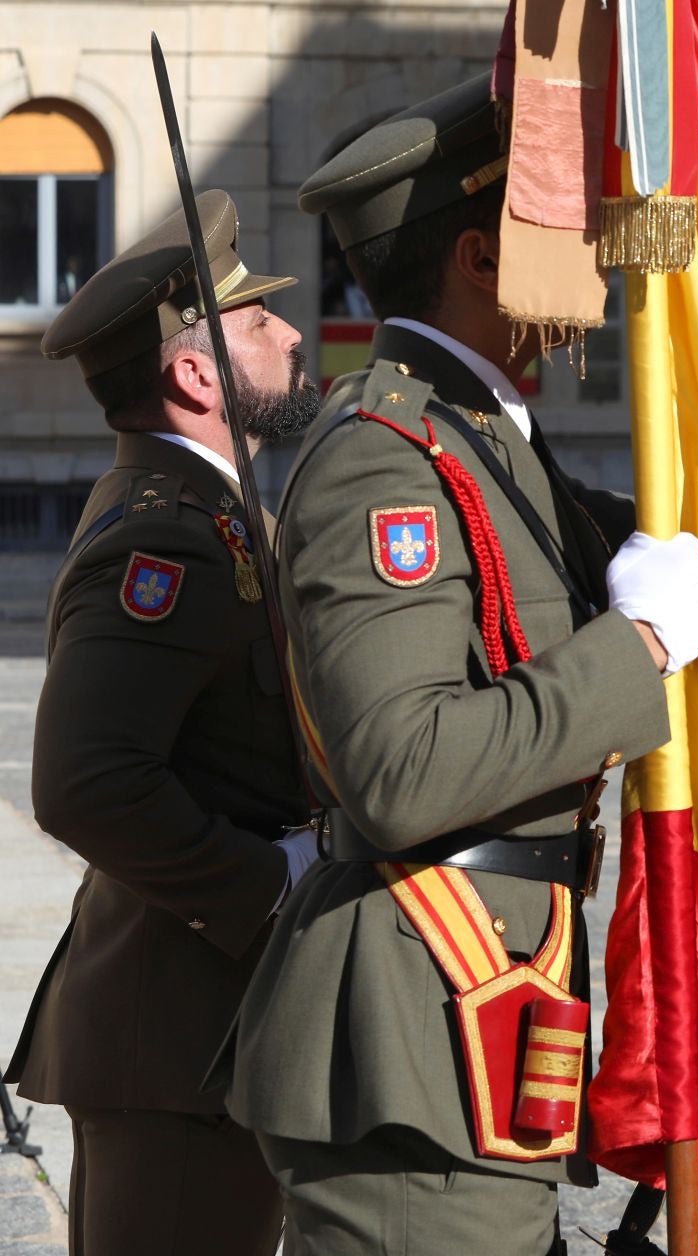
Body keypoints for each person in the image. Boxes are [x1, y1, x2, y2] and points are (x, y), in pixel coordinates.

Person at [224, 77, 698, 1253]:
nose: (596, 258)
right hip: (409, 1029)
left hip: (479, 1002)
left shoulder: (486, 439)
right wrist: (635, 647)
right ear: (482, 260)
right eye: (563, 231)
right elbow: (400, 768)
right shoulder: (386, 459)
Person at [7, 190, 319, 1255]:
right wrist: (270, 882)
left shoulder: (215, 510)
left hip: (194, 1035)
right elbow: (87, 780)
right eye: (257, 320)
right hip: (176, 1039)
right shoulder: (174, 537)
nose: (291, 332)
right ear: (195, 374)